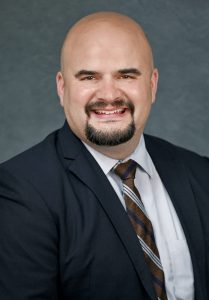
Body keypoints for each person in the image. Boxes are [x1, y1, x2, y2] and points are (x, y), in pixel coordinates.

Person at [0, 11, 208, 300]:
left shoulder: (200, 173)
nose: (109, 94)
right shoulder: (19, 192)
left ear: (152, 85)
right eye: (89, 76)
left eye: (126, 75)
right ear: (62, 88)